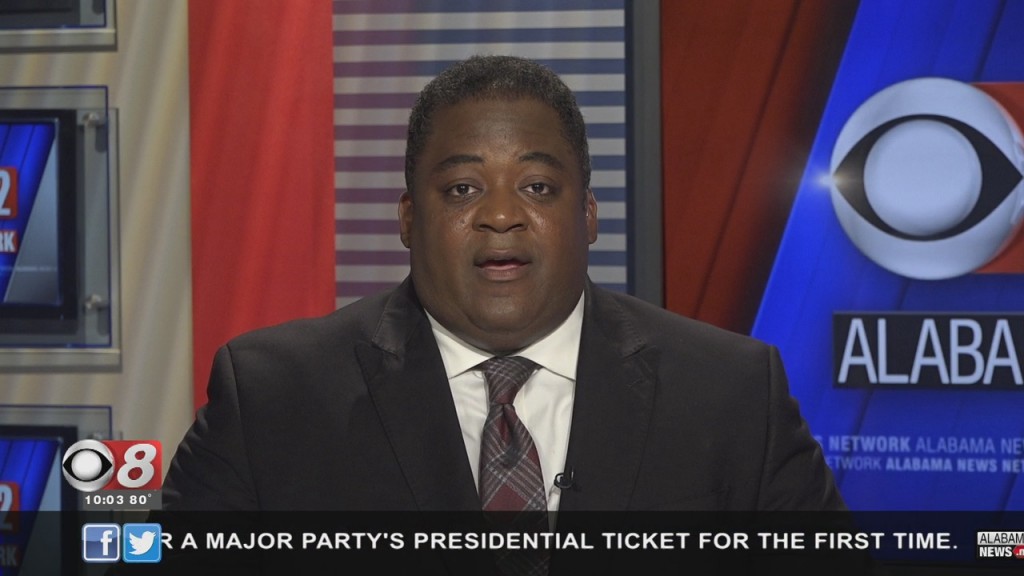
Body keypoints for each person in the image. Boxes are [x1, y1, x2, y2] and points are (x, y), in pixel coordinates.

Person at [160, 54, 847, 573]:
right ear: (408, 218)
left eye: (537, 186)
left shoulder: (730, 392)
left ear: (588, 214)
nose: (499, 215)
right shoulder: (273, 397)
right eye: (462, 188)